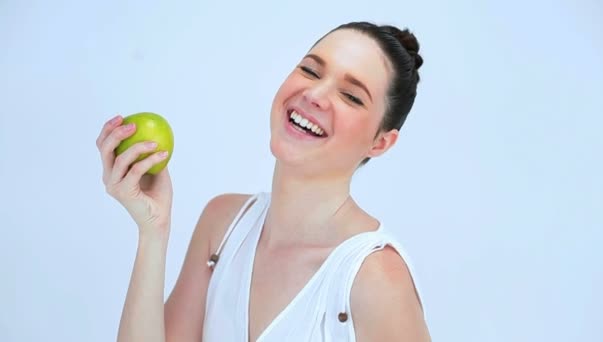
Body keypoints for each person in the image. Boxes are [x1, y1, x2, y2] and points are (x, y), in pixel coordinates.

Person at [96, 21, 430, 342]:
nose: (315, 93)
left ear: (380, 142)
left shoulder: (377, 278)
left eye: (351, 96)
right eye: (311, 70)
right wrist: (153, 231)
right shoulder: (223, 224)